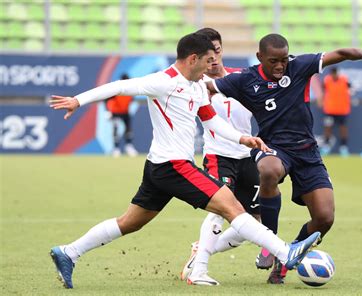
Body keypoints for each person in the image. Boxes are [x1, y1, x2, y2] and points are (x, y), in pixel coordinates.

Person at [48, 33, 320, 289]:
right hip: (173, 166)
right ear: (192, 58)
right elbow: (119, 86)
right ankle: (285, 252)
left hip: (160, 167)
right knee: (231, 206)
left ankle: (68, 252)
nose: (211, 67)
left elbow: (211, 120)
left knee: (130, 222)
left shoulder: (197, 87)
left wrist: (242, 138)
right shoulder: (163, 81)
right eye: (206, 61)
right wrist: (77, 100)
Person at [206, 33, 362, 284]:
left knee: (324, 218)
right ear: (260, 58)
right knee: (268, 170)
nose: (280, 66)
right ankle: (270, 244)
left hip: (307, 152)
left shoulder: (299, 66)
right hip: (273, 146)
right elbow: (208, 87)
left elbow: (338, 54)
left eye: (284, 60)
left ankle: (285, 260)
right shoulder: (245, 80)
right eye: (273, 61)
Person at [179, 28, 261, 286]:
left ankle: (201, 249)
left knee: (251, 225)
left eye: (217, 50)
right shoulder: (196, 87)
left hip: (247, 157)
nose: (213, 57)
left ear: (222, 50)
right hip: (218, 156)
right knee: (219, 209)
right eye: (208, 53)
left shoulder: (243, 78)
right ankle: (199, 270)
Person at [318, 67, 352, 156]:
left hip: (342, 110)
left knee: (343, 128)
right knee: (327, 127)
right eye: (332, 73)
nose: (334, 75)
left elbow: (351, 89)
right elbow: (322, 90)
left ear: (337, 73)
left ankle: (343, 147)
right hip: (329, 110)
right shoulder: (327, 80)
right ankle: (326, 146)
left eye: (335, 73)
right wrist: (321, 100)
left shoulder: (345, 80)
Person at [105, 74, 138, 157]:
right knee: (116, 130)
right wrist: (108, 111)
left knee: (128, 129)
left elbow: (131, 100)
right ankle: (116, 149)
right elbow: (107, 100)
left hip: (125, 112)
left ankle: (129, 147)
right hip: (115, 112)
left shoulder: (131, 90)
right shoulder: (116, 90)